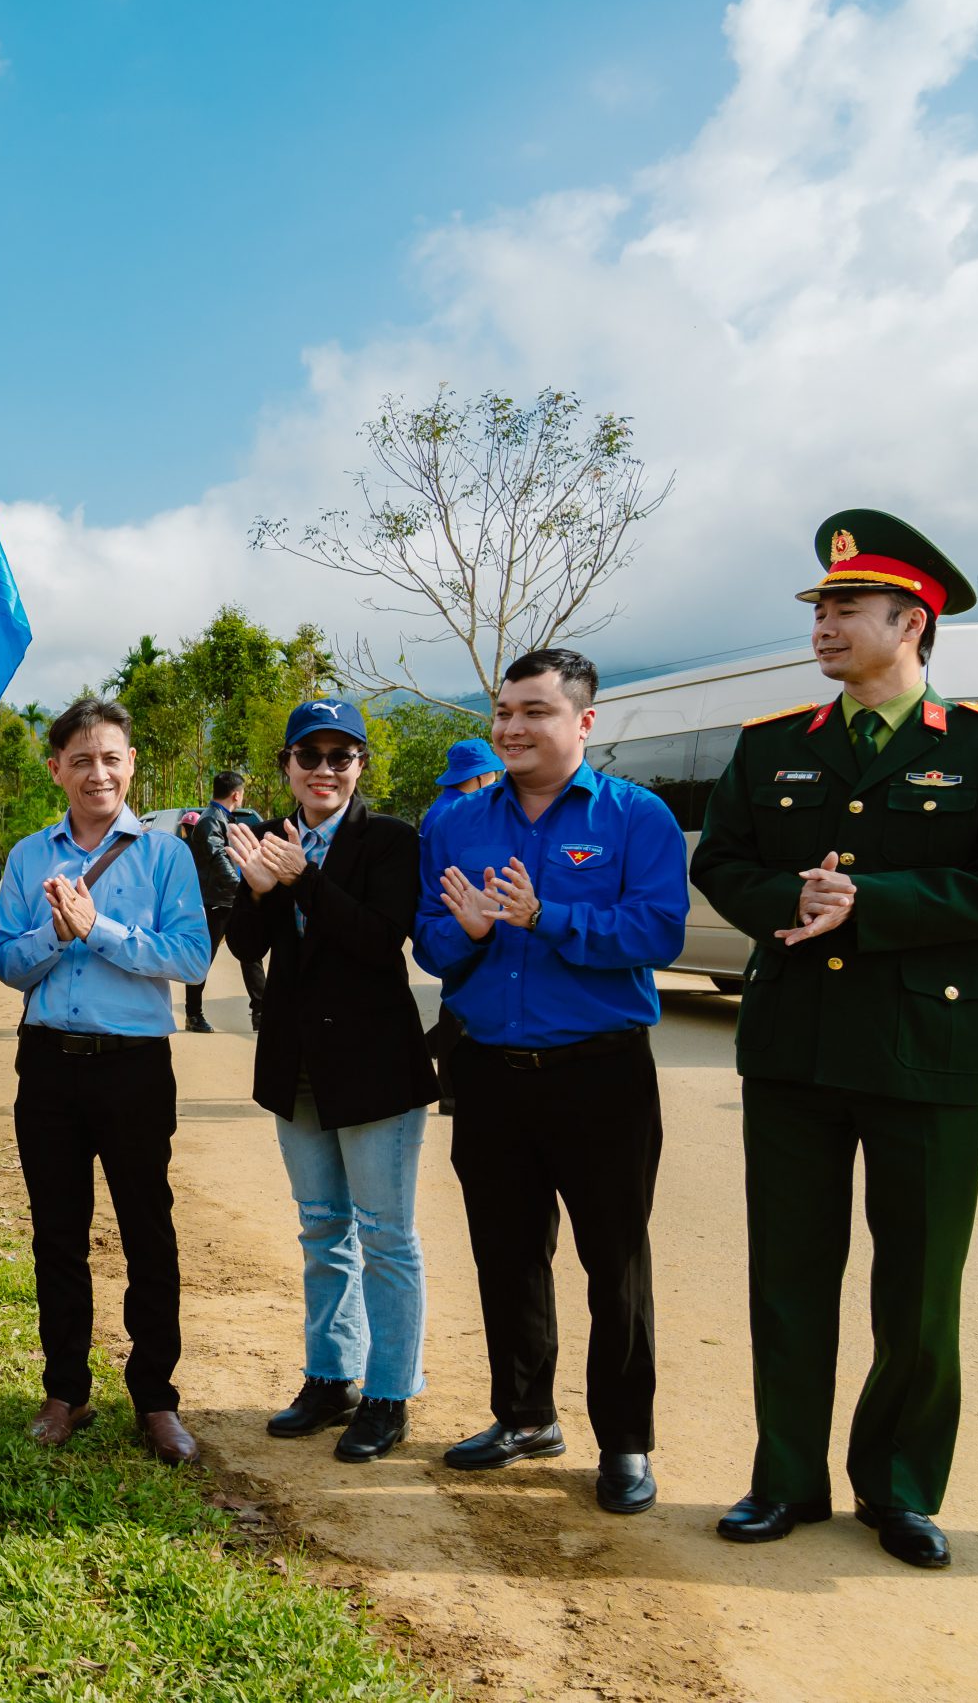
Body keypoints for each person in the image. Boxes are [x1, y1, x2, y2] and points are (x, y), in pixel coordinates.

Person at [691, 509, 978, 1569]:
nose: (822, 623)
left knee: (919, 1296)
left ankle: (899, 1489)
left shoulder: (977, 747)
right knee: (789, 1279)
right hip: (793, 1050)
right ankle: (784, 1480)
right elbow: (719, 862)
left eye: (847, 606)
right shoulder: (772, 745)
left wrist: (874, 902)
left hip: (929, 1056)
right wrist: (792, 896)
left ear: (913, 622)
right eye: (819, 606)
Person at [414, 648, 687, 1517]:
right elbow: (431, 942)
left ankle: (625, 1440)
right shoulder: (458, 822)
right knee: (506, 1253)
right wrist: (469, 932)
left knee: (616, 1262)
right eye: (503, 711)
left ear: (583, 721)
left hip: (600, 1073)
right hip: (489, 1072)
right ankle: (525, 1416)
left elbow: (658, 930)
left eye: (534, 710)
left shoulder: (635, 816)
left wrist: (547, 915)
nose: (512, 727)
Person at [0, 696, 212, 1458]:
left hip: (134, 1067)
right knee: (57, 1234)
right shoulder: (29, 857)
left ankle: (156, 1399)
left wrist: (101, 929)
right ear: (57, 768)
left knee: (149, 1232)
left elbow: (192, 957)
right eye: (81, 760)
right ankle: (66, 1391)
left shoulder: (166, 855)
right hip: (49, 1064)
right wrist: (56, 934)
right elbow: (6, 961)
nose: (98, 773)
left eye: (111, 758)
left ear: (131, 765)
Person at [224, 701, 437, 1465]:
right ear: (286, 764)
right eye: (308, 755)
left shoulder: (391, 840)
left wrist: (303, 877)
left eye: (339, 756)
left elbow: (380, 940)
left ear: (360, 765)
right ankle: (330, 1375)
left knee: (385, 1235)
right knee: (321, 1227)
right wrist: (257, 889)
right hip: (298, 1064)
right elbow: (244, 945)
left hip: (375, 1064)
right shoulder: (269, 836)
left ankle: (389, 1391)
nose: (323, 769)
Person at [422, 739, 506, 1114]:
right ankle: (449, 1090)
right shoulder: (458, 814)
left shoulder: (440, 809)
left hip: (452, 925)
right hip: (462, 925)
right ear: (481, 775)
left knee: (454, 1004)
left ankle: (442, 1081)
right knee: (457, 1009)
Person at [186, 771, 267, 1033]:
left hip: (231, 899)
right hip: (215, 901)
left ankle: (261, 1012)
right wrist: (241, 887)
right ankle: (194, 1015)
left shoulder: (223, 818)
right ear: (236, 795)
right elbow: (218, 857)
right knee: (203, 958)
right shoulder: (210, 820)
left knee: (250, 953)